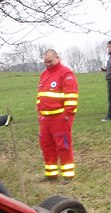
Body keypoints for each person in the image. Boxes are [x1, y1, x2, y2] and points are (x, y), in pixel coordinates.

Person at [36, 49, 79, 181]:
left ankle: (67, 175)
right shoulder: (44, 74)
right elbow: (41, 95)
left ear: (57, 58)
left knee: (63, 145)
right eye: (46, 62)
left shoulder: (66, 73)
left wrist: (67, 114)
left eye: (50, 61)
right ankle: (51, 174)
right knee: (46, 146)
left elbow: (71, 95)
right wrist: (40, 113)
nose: (48, 64)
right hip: (45, 118)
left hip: (59, 117)